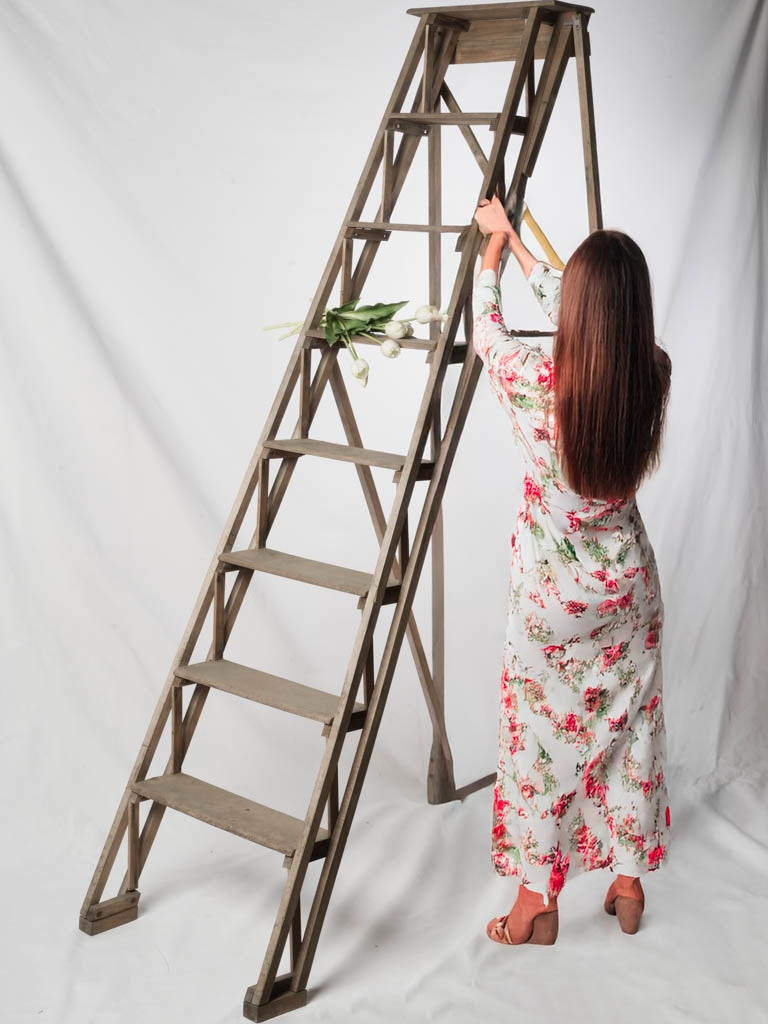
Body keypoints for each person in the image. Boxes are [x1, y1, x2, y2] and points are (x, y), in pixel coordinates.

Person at [471, 195, 672, 946]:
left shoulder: (536, 381)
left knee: (539, 742)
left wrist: (492, 253)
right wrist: (523, 244)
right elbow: (589, 313)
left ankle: (535, 901)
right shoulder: (650, 373)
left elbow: (485, 331)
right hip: (630, 594)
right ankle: (626, 882)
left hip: (551, 604)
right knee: (628, 732)